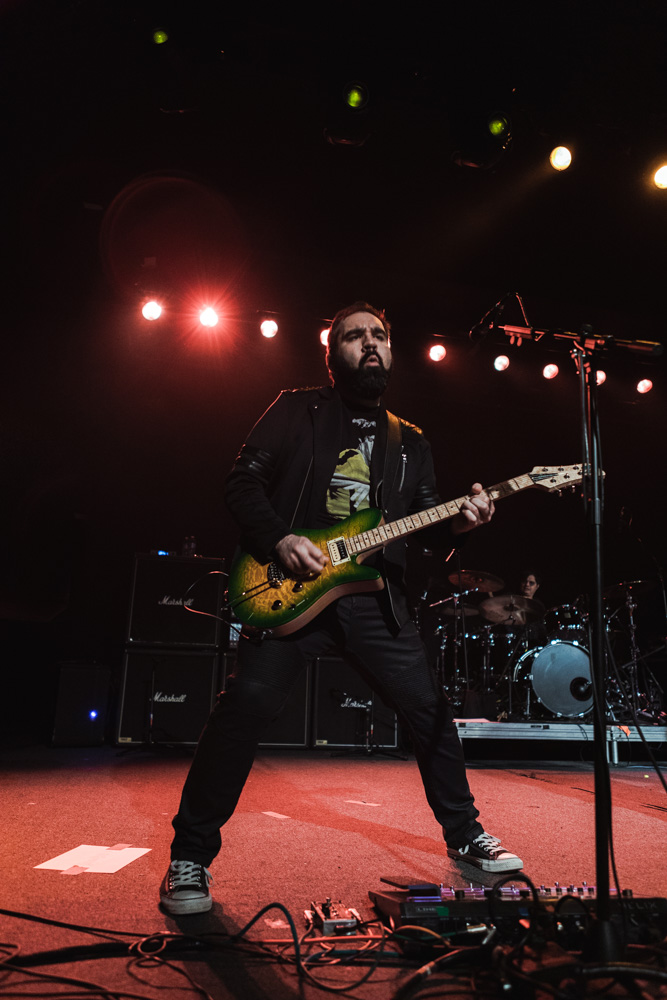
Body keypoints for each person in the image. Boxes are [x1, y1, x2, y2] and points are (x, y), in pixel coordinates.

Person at [160, 301, 522, 915]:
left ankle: (467, 839)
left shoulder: (411, 441)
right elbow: (241, 483)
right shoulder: (294, 410)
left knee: (429, 713)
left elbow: (428, 523)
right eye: (354, 336)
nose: (370, 343)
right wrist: (279, 537)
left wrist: (463, 522)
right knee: (245, 705)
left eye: (379, 334)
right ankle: (188, 858)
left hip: (375, 599)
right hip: (292, 588)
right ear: (332, 355)